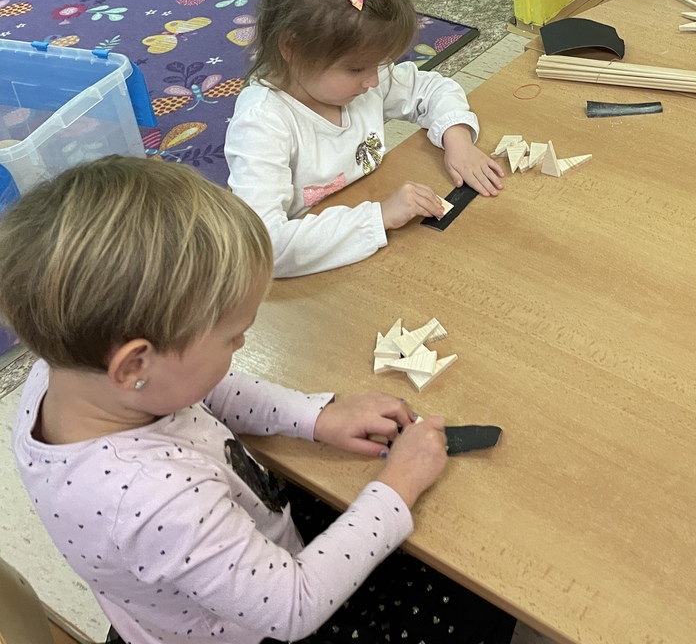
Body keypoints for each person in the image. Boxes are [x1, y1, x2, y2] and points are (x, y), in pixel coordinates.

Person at [5, 156, 516, 644]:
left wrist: (317, 417)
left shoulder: (72, 372)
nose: (243, 343)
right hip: (262, 627)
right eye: (232, 337)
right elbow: (294, 606)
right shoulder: (155, 499)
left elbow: (206, 390)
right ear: (135, 365)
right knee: (480, 597)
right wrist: (399, 484)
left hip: (241, 549)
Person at [225, 0, 503, 278]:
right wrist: (380, 216)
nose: (373, 81)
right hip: (308, 278)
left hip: (364, 245)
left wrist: (458, 139)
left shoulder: (358, 80)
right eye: (357, 68)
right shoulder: (262, 124)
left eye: (379, 64)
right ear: (291, 48)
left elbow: (431, 89)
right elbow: (264, 246)